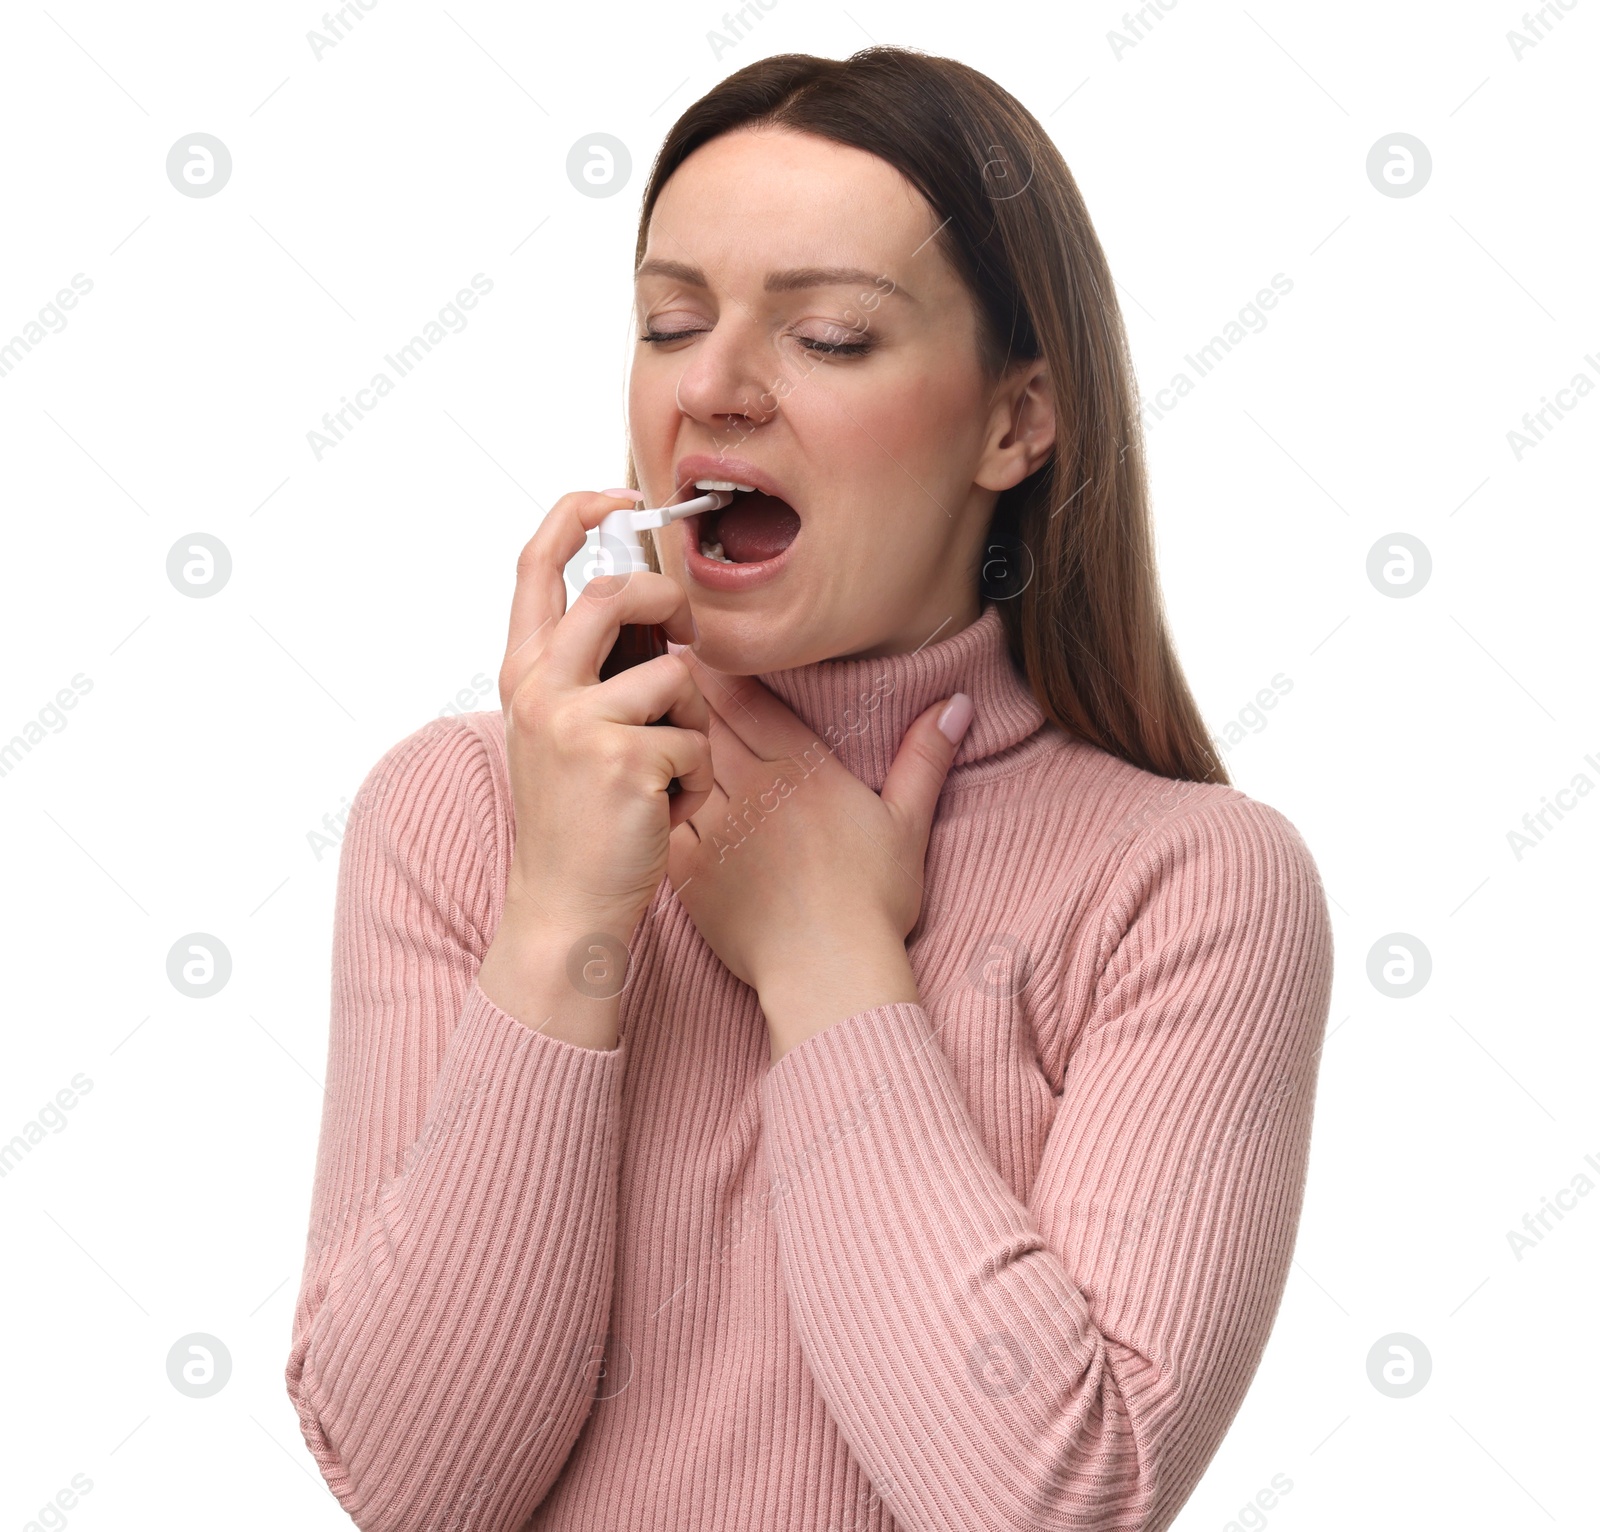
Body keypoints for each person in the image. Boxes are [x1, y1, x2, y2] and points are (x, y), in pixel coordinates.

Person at [285, 46, 1334, 1532]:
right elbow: (414, 1491)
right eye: (670, 321)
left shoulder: (1191, 883)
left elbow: (1048, 1509)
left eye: (831, 337)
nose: (712, 388)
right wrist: (566, 911)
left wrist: (825, 958)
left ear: (1015, 423)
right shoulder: (462, 813)